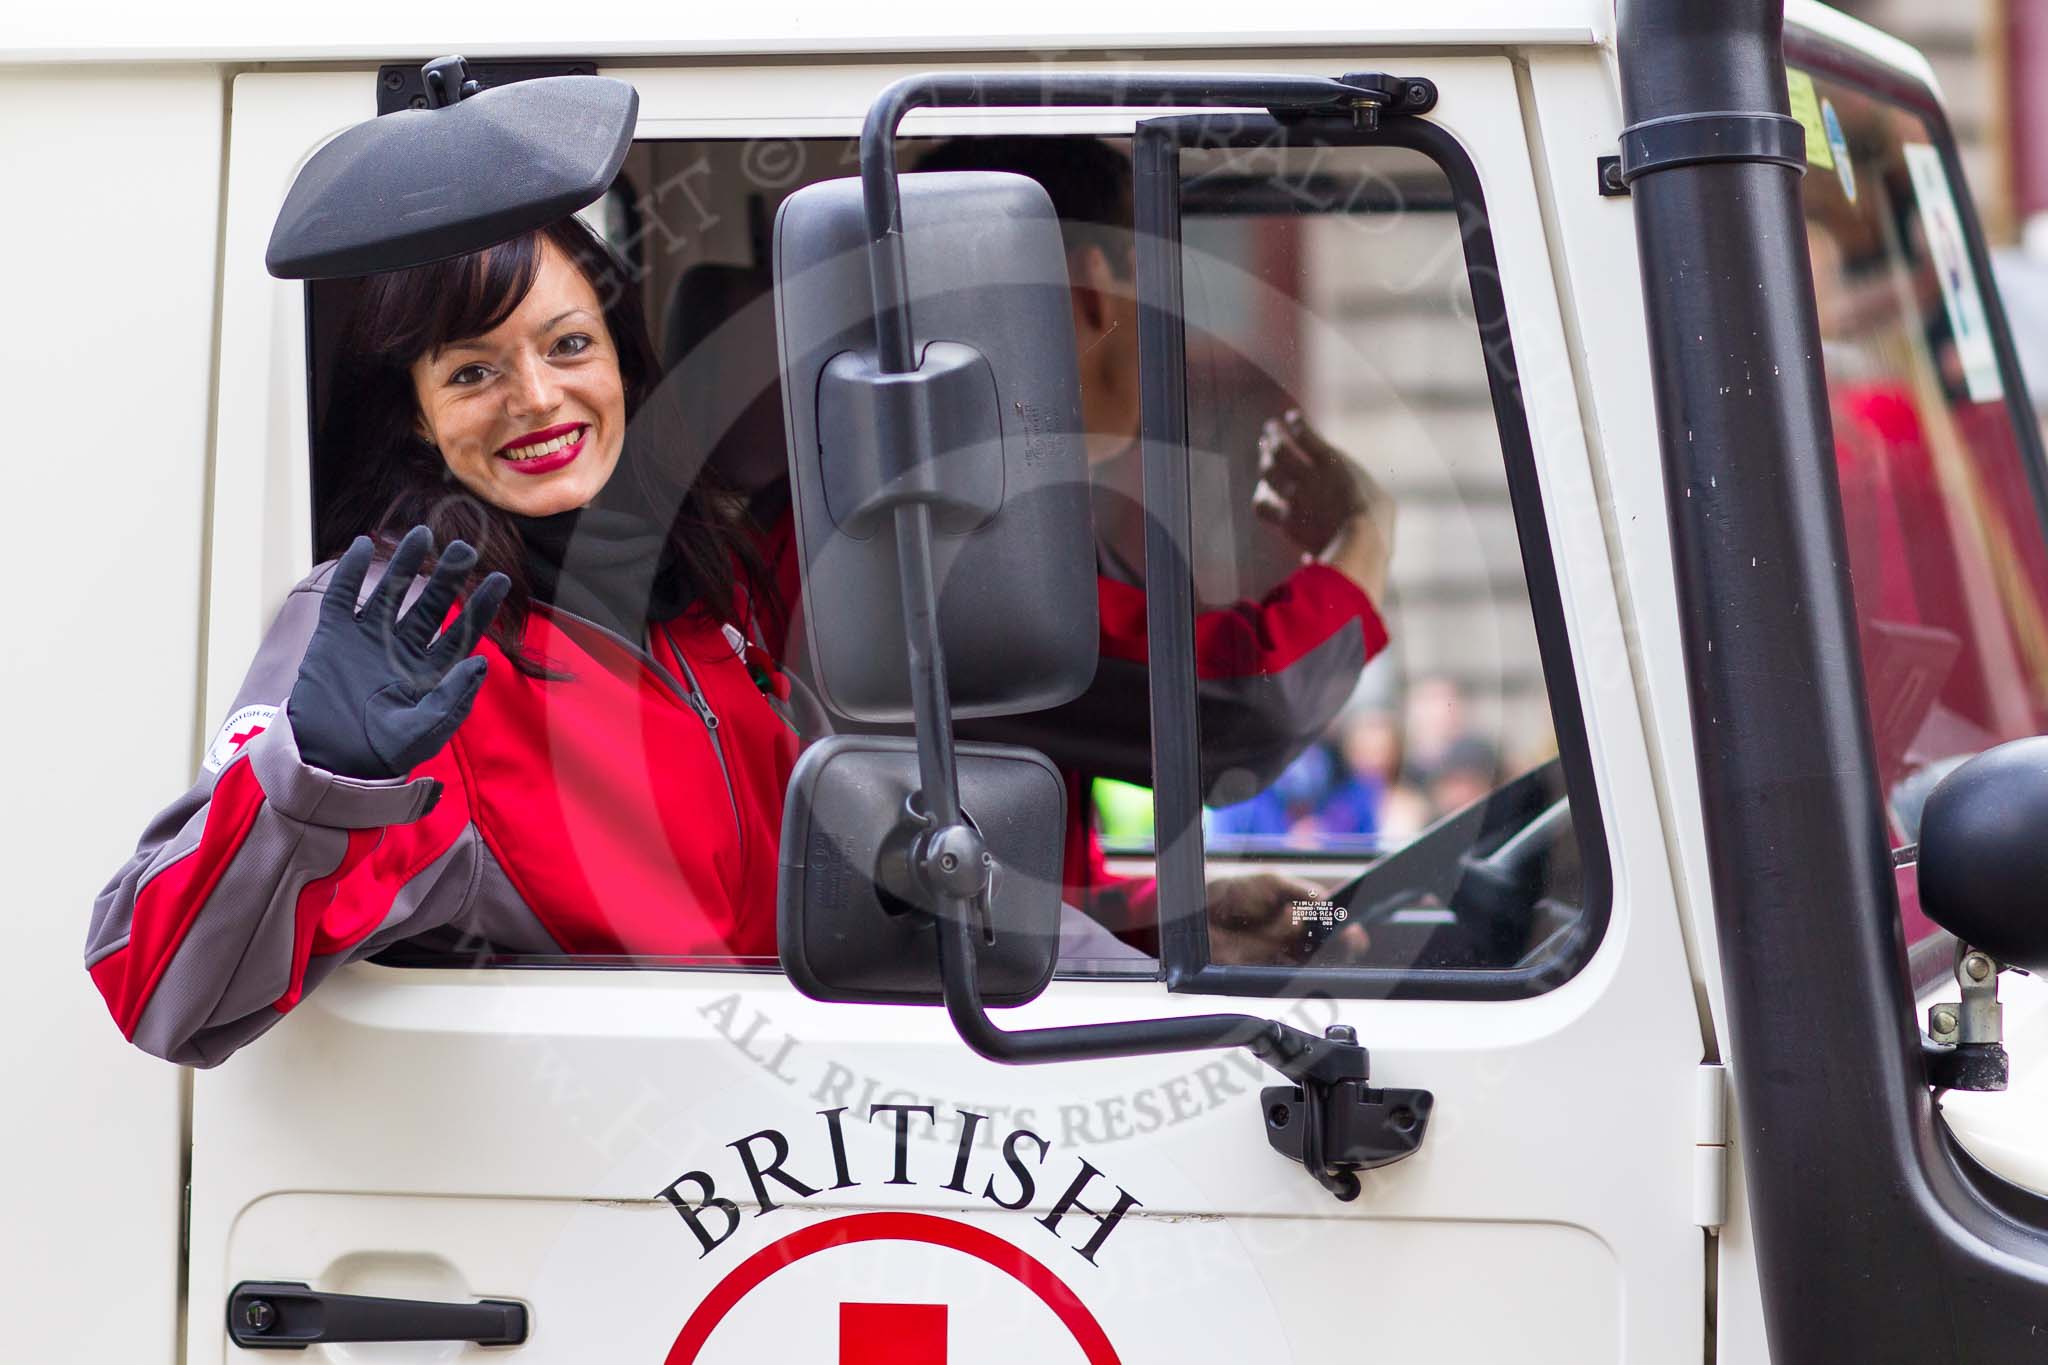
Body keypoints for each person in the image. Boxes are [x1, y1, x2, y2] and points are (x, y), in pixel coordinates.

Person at [85, 216, 796, 1066]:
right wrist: (315, 779)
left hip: (773, 1096)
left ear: (624, 367)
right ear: (420, 420)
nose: (536, 396)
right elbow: (156, 986)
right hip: (612, 1125)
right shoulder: (401, 635)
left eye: (569, 345)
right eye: (471, 372)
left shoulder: (697, 578)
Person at [906, 136, 1398, 949]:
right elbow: (1243, 703)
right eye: (1150, 280)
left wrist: (1169, 920)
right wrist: (1365, 530)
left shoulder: (962, 515)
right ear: (1093, 290)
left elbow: (1004, 890)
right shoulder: (957, 542)